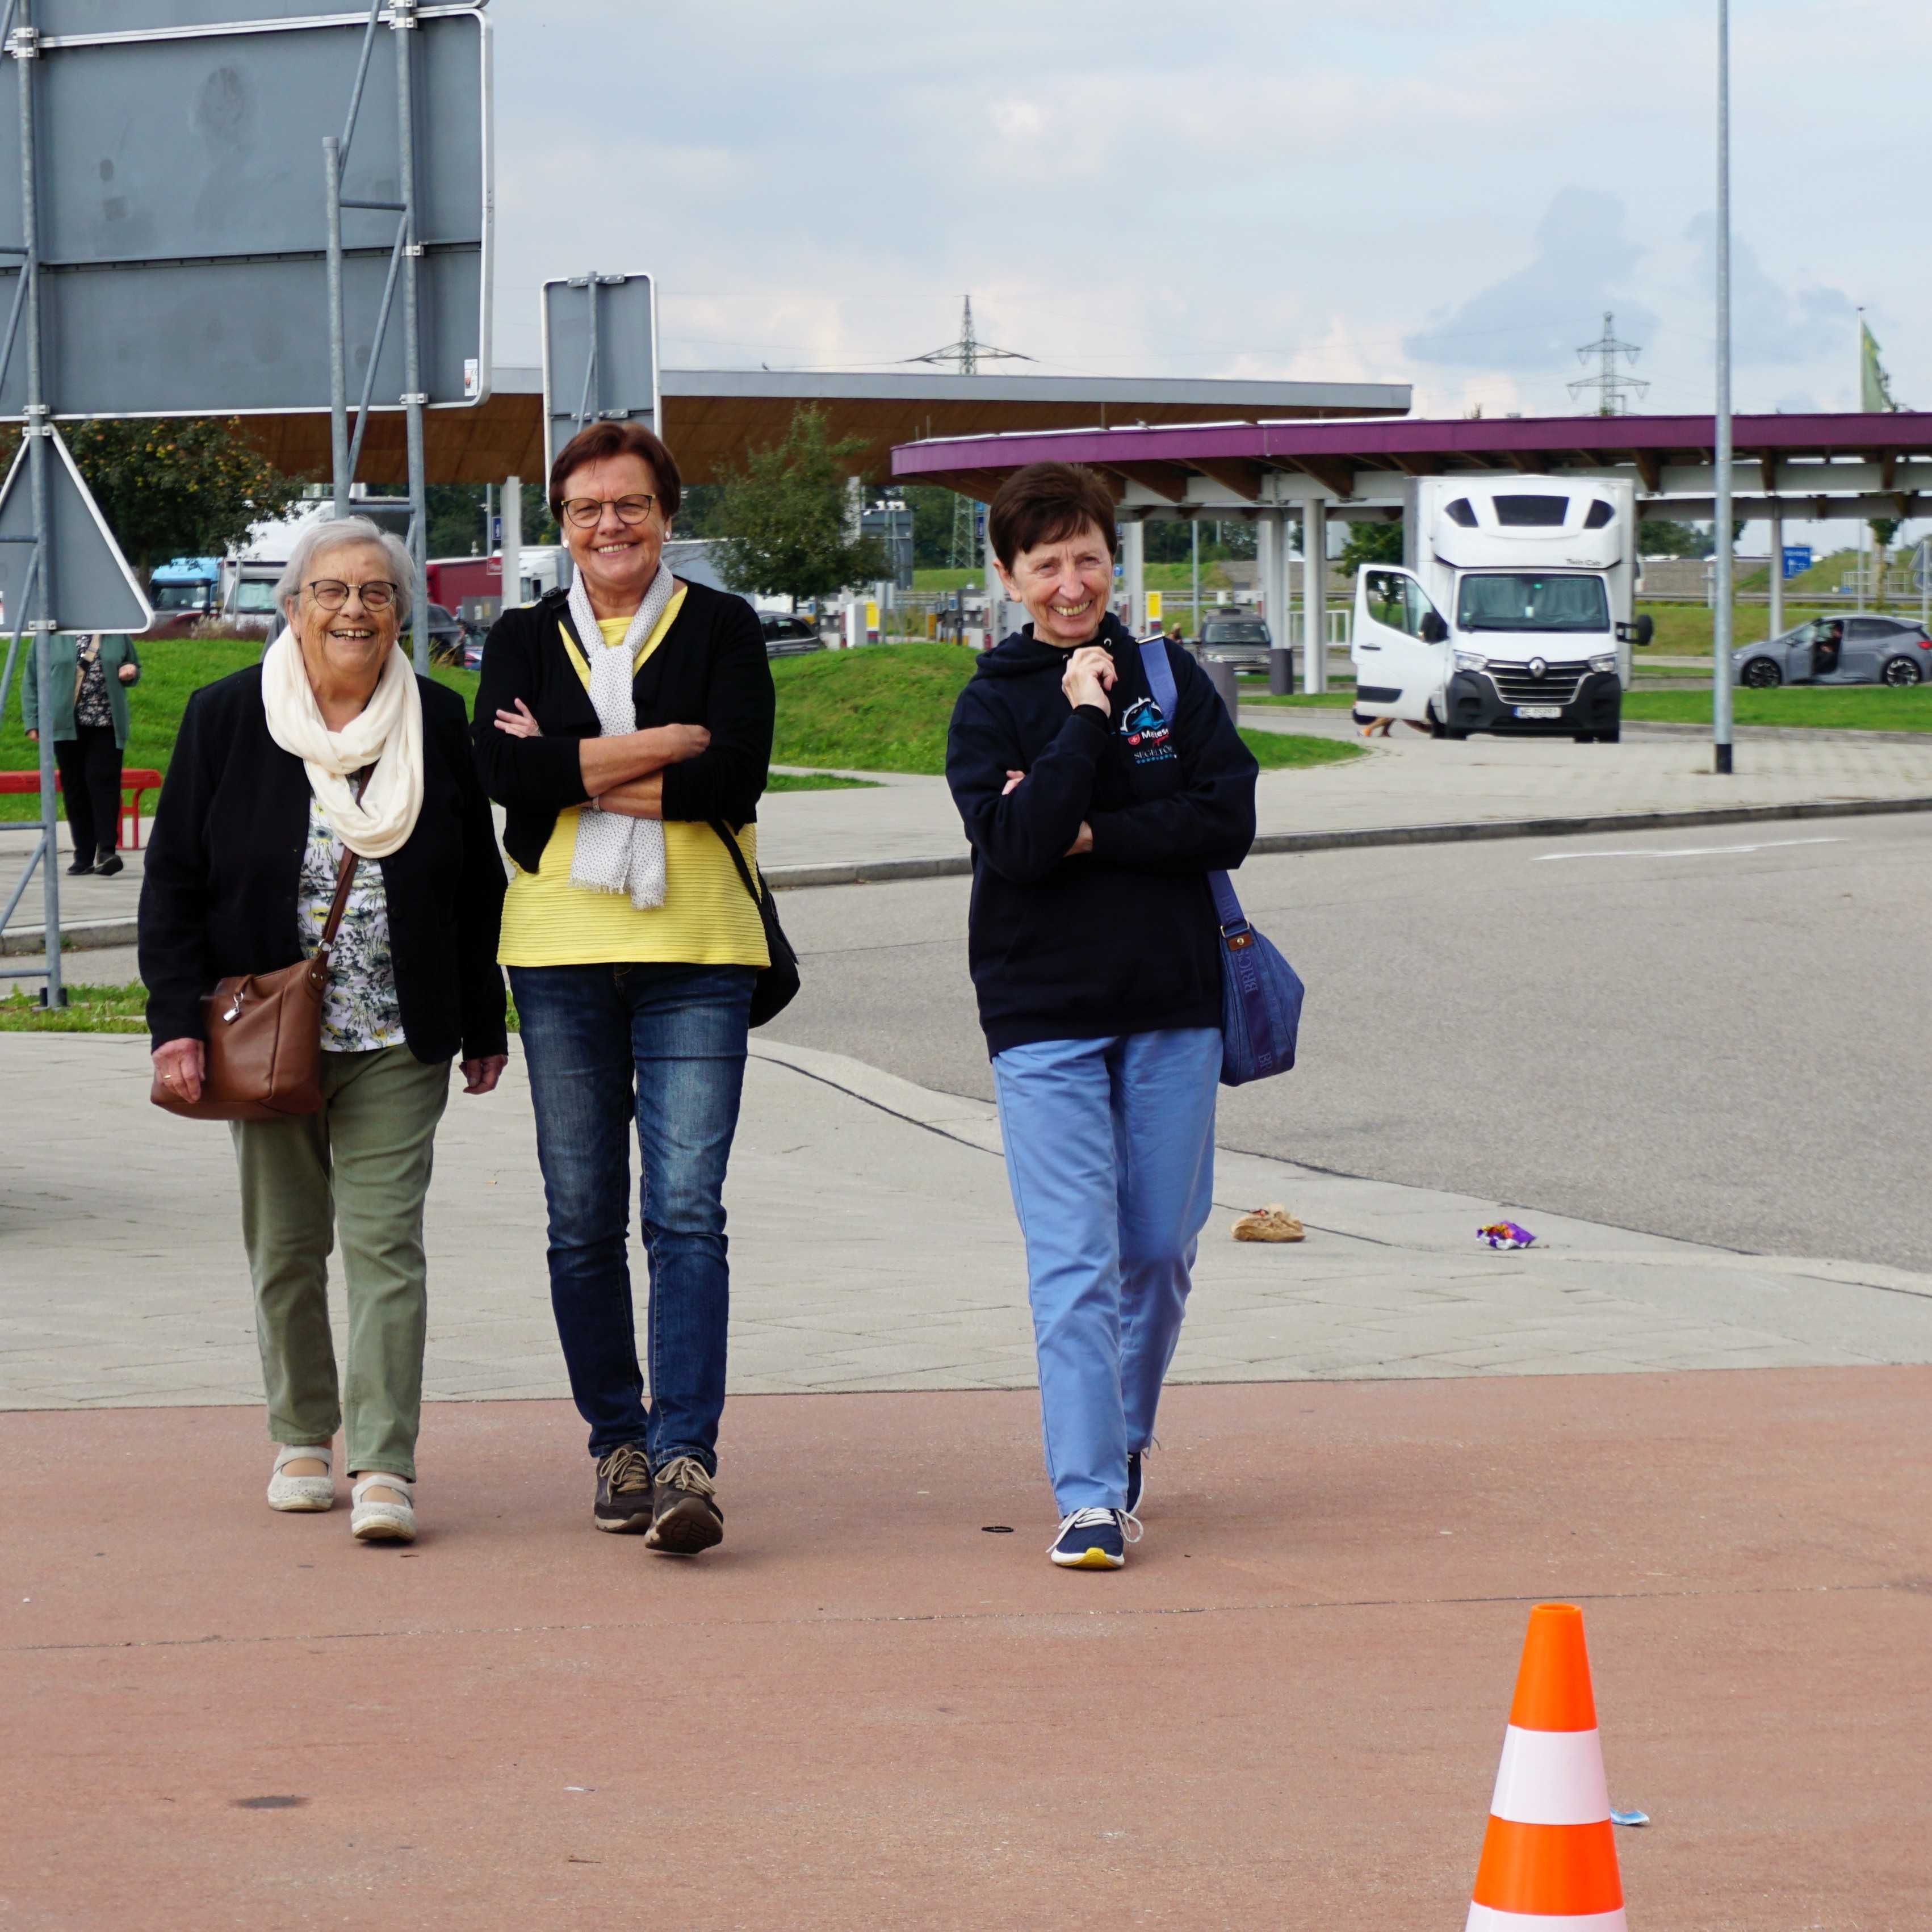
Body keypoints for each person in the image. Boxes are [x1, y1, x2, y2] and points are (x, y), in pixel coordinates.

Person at [139, 516, 508, 1545]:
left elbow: (474, 883)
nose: (354, 608)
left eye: (377, 592)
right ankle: (303, 1435)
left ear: (400, 612)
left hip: (400, 1029)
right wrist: (175, 1023)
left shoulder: (435, 716)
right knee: (287, 1246)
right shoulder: (226, 718)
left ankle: (386, 1460)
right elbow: (173, 881)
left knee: (387, 1242)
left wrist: (485, 1017)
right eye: (332, 590)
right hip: (265, 1036)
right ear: (292, 606)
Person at [945, 462, 1258, 1572]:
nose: (1071, 583)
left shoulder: (1172, 679)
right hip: (1041, 1017)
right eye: (1046, 566)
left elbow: (1227, 816)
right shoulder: (992, 703)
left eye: (1086, 558)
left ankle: (1123, 1438)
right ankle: (1086, 1494)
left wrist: (1095, 829)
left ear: (1109, 560)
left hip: (1173, 1002)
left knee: (1159, 1250)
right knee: (1074, 1259)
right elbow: (1019, 846)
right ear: (1009, 576)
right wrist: (1080, 721)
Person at [473, 420, 772, 1556]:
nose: (611, 525)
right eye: (588, 507)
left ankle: (687, 1449)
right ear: (561, 522)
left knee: (686, 1209)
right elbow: (503, 774)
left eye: (631, 505)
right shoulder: (521, 635)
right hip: (555, 954)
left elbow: (735, 773)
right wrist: (665, 748)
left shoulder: (725, 626)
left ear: (667, 516)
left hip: (699, 947)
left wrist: (579, 767)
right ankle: (620, 1440)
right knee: (582, 1215)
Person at [21, 631, 141, 877]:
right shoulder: (50, 634)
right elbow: (32, 679)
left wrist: (131, 671)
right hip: (66, 724)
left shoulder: (115, 632)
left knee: (104, 784)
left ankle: (107, 851)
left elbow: (133, 665)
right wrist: (32, 720)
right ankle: (83, 855)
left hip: (107, 724)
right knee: (75, 789)